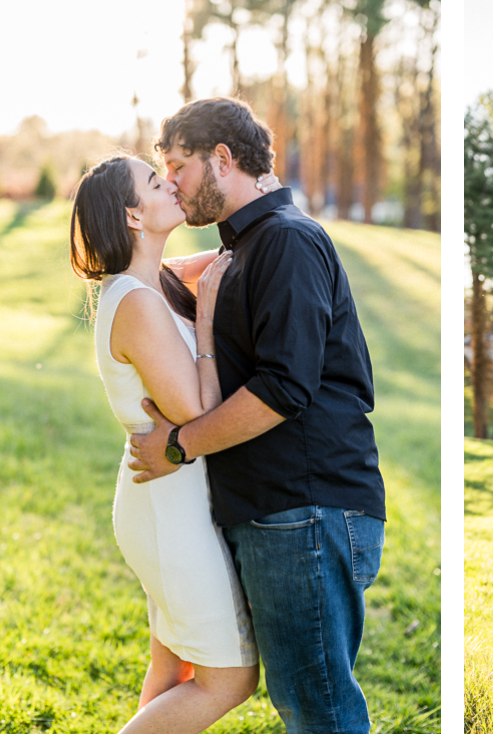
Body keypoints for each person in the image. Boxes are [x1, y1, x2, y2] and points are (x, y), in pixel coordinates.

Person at [127, 97, 386, 734]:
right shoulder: (242, 250)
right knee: (303, 700)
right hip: (274, 508)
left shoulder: (287, 242)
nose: (175, 184)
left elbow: (283, 389)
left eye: (179, 166)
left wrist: (180, 445)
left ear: (222, 159)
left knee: (317, 708)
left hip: (305, 506)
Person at [69, 155, 281, 732]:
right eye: (158, 183)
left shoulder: (151, 280)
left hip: (171, 495)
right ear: (134, 215)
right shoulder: (135, 302)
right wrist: (207, 317)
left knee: (176, 666)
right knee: (230, 677)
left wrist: (264, 194)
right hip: (168, 508)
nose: (173, 186)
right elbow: (197, 413)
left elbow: (236, 253)